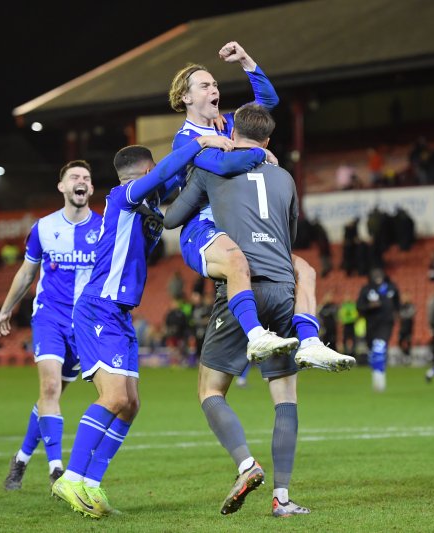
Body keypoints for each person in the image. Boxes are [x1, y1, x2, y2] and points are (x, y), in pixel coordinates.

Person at [51, 138, 233, 518]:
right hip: (100, 307)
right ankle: (70, 477)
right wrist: (200, 141)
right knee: (115, 398)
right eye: (154, 173)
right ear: (146, 173)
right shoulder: (123, 196)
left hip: (119, 313)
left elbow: (179, 175)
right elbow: (169, 170)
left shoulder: (147, 201)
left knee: (130, 405)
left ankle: (92, 484)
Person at [164, 104, 311, 517]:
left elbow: (173, 218)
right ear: (267, 142)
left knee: (210, 389)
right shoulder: (284, 175)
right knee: (285, 396)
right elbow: (292, 232)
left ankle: (246, 464)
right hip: (283, 286)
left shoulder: (214, 168)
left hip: (241, 286)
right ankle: (282, 499)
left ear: (232, 132)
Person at [168, 42, 352, 372]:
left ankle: (310, 342)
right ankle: (256, 335)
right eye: (205, 85)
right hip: (205, 226)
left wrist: (246, 61)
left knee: (303, 269)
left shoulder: (226, 123)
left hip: (238, 225)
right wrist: (259, 153)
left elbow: (266, 104)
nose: (215, 89)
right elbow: (222, 167)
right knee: (239, 262)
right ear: (186, 97)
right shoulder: (186, 139)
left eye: (215, 84)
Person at [0, 161, 102, 490]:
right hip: (49, 317)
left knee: (48, 398)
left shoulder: (103, 229)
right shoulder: (43, 227)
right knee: (50, 389)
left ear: (91, 189)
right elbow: (27, 272)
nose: (80, 181)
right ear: (62, 187)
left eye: (86, 178)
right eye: (74, 177)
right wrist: (5, 310)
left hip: (83, 324)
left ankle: (21, 459)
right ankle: (57, 469)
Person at [357, 267, 401, 392]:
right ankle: (376, 376)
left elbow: (397, 303)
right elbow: (359, 307)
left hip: (386, 323)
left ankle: (380, 381)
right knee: (373, 352)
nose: (378, 276)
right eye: (375, 274)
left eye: (379, 273)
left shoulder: (391, 288)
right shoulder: (366, 290)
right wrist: (369, 306)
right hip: (371, 325)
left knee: (379, 347)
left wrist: (397, 312)